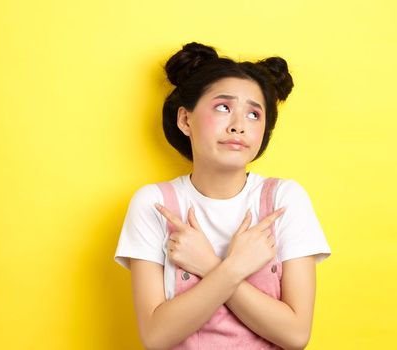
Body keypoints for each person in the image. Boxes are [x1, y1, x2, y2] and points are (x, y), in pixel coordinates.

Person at [113, 42, 331, 350]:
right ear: (185, 120)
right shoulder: (154, 204)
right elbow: (156, 336)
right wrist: (232, 268)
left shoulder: (284, 199)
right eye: (223, 107)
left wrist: (209, 266)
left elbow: (295, 335)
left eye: (254, 114)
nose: (239, 126)